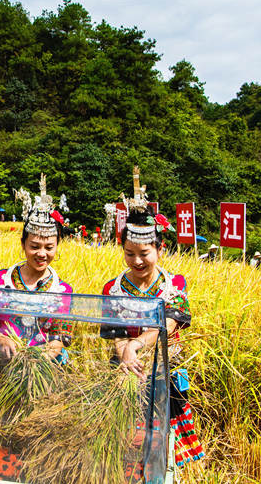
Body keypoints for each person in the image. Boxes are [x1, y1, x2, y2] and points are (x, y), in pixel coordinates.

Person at [100, 170, 204, 469]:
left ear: (160, 249)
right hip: (125, 373)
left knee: (164, 448)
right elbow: (116, 333)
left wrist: (136, 347)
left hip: (165, 370)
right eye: (129, 253)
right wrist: (127, 360)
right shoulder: (113, 288)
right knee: (125, 447)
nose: (137, 261)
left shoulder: (174, 286)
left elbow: (167, 326)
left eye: (145, 253)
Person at [0, 175, 73, 361]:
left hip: (43, 367)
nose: (42, 254)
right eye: (35, 246)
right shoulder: (2, 280)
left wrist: (39, 358)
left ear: (57, 246)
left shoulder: (62, 290)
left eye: (49, 248)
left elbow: (59, 337)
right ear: (23, 244)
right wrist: (1, 339)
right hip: (4, 364)